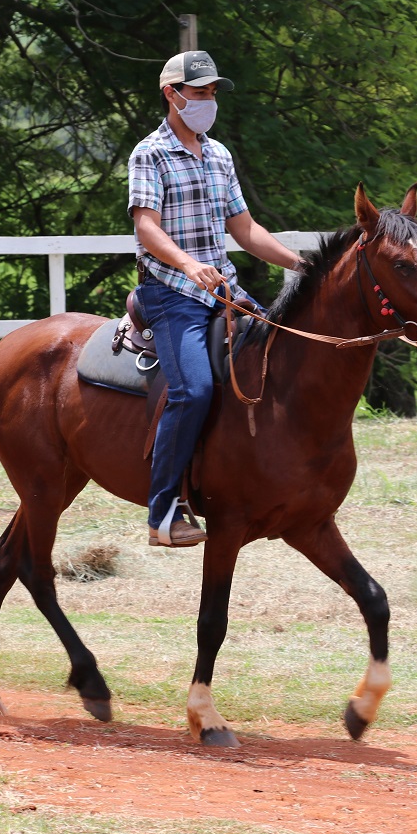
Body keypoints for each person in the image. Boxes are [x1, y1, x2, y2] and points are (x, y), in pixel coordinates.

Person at [128, 50, 306, 548]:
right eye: (200, 92)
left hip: (224, 290)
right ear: (172, 94)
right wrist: (187, 264)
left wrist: (299, 265)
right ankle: (162, 514)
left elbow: (246, 231)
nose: (208, 101)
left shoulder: (220, 155)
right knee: (195, 391)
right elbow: (146, 225)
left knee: (279, 359)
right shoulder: (150, 153)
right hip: (170, 292)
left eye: (211, 93)